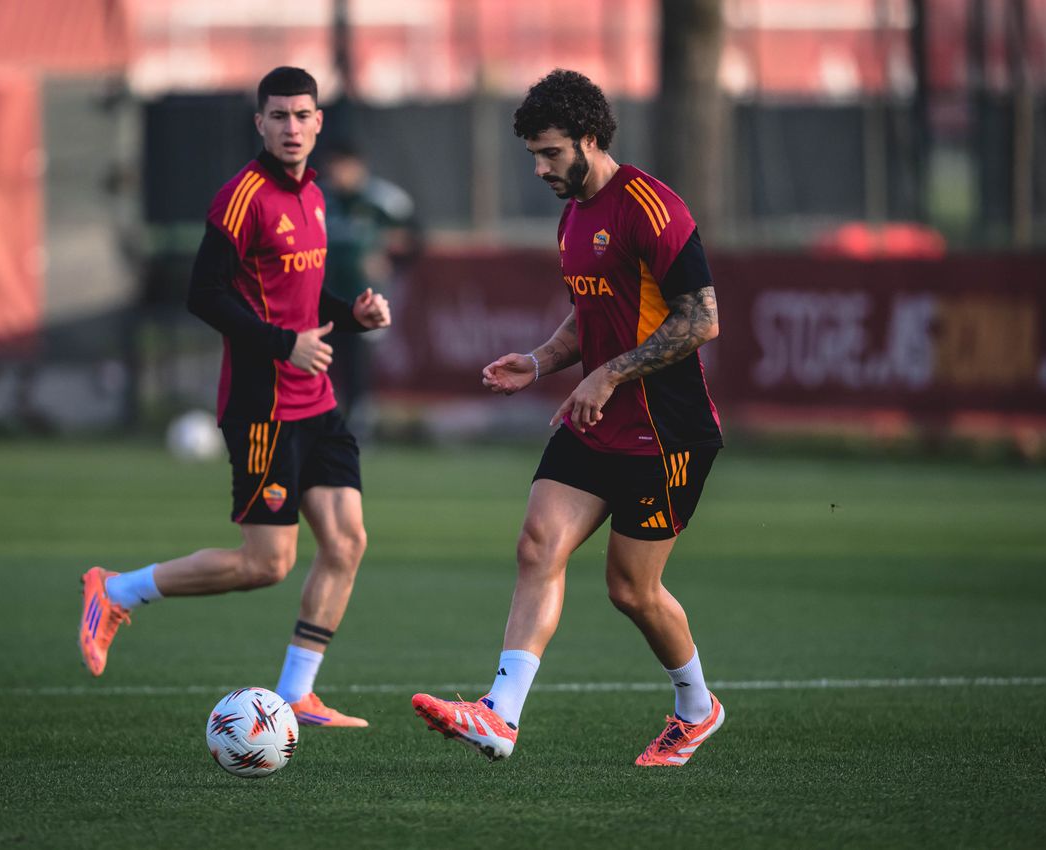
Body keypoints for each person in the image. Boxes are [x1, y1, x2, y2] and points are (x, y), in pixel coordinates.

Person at [412, 69, 724, 766]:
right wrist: (540, 359)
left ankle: (697, 709)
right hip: (599, 418)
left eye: (550, 153)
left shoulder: (650, 206)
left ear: (589, 138)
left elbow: (701, 318)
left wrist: (610, 374)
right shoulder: (573, 216)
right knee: (536, 545)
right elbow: (593, 315)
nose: (539, 168)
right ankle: (499, 714)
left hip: (665, 431)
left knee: (630, 590)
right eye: (532, 154)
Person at [78, 67, 391, 728]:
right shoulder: (241, 197)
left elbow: (303, 301)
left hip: (319, 403)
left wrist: (352, 313)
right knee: (266, 563)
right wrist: (284, 346)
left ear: (317, 122)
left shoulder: (316, 195)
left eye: (302, 114)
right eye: (278, 115)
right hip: (264, 407)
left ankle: (297, 694)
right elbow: (204, 295)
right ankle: (114, 590)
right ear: (259, 123)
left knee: (346, 541)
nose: (291, 127)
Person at [319, 141, 419, 426]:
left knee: (356, 366)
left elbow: (414, 239)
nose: (338, 173)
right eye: (333, 166)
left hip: (364, 300)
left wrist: (386, 253)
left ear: (358, 166)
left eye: (344, 166)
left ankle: (358, 424)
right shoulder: (319, 199)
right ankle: (316, 422)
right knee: (319, 363)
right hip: (320, 298)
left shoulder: (384, 200)